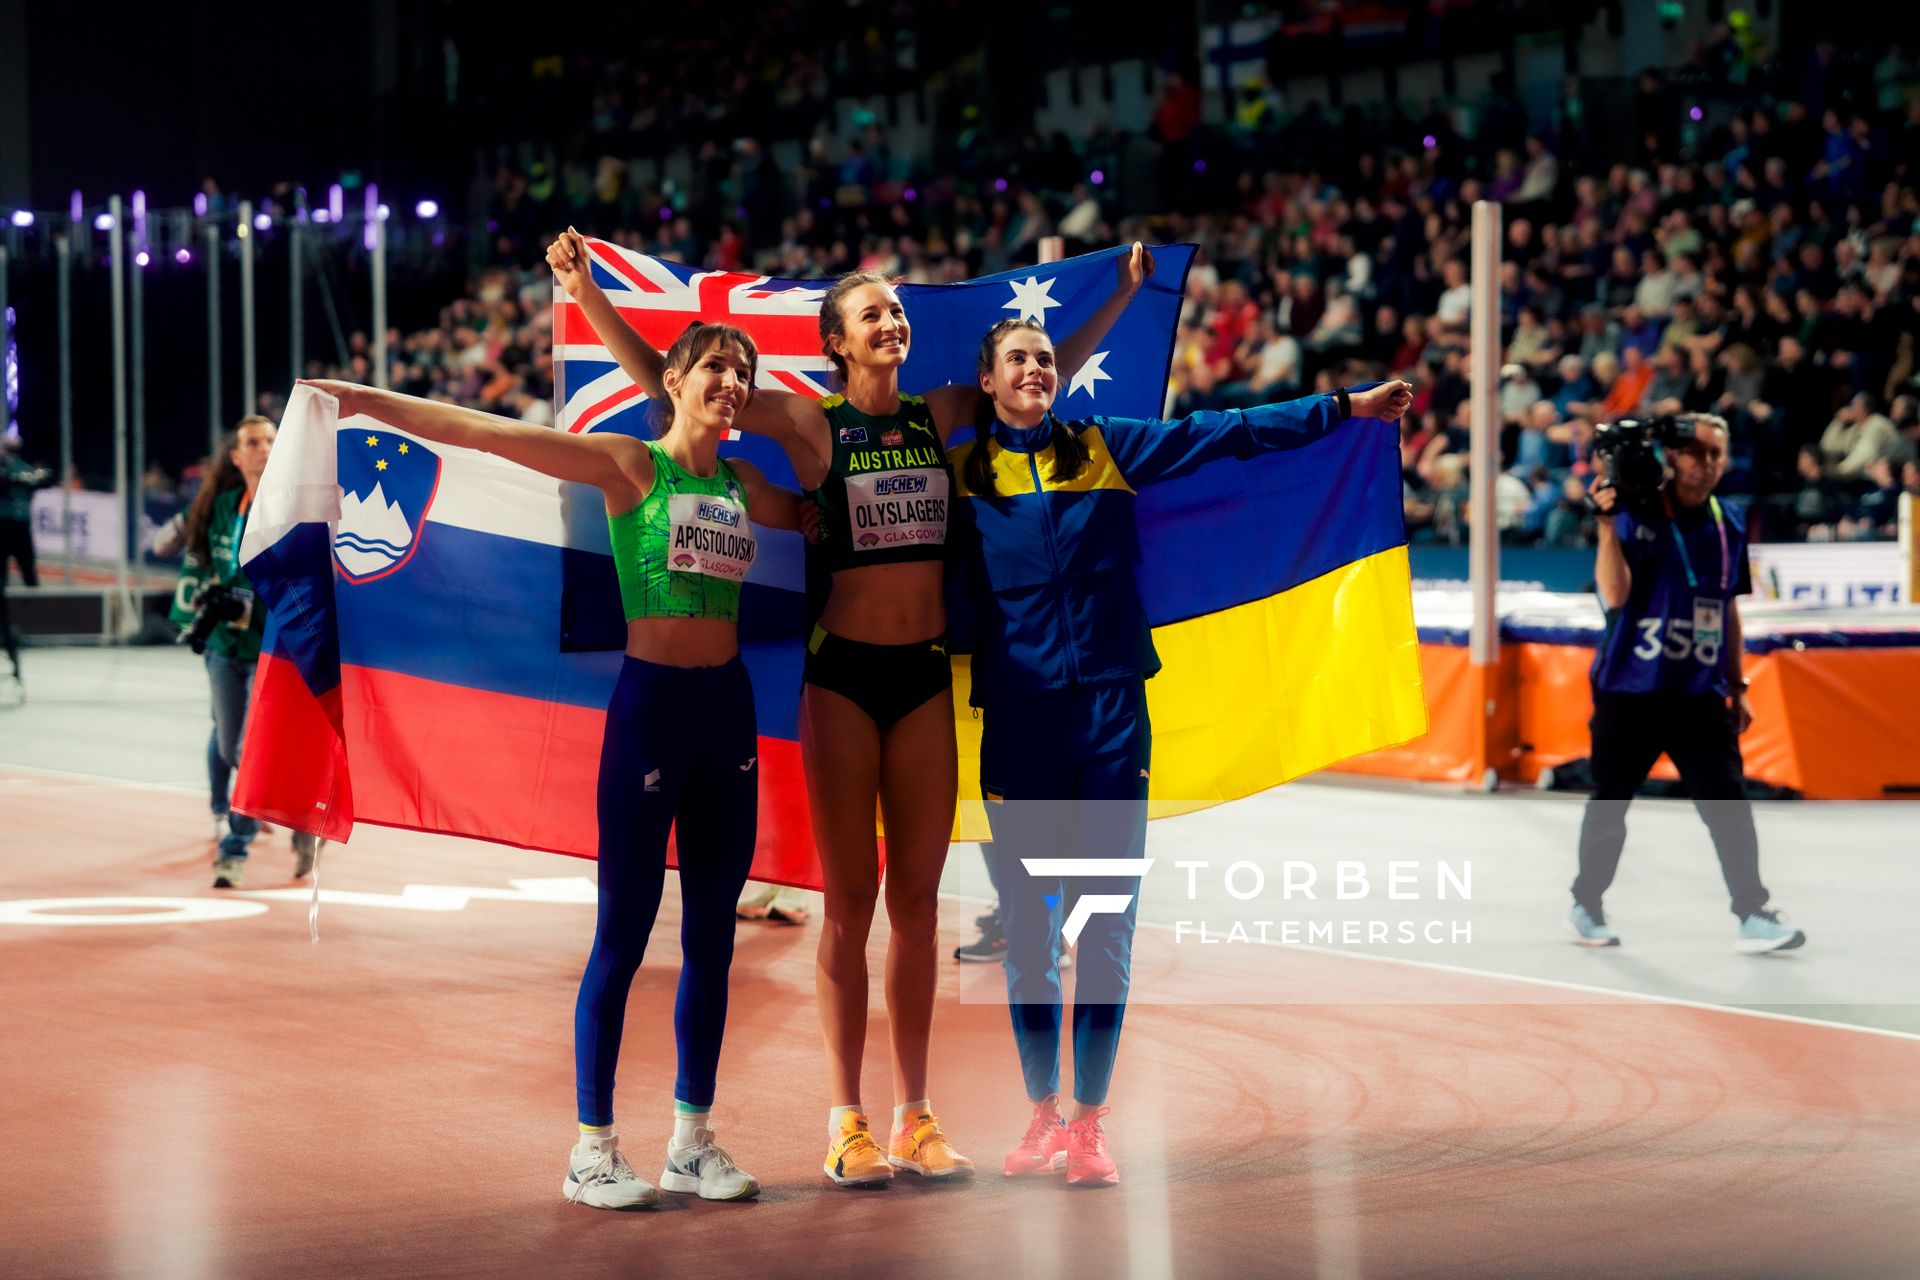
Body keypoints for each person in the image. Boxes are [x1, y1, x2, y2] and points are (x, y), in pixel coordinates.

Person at [545, 229, 1148, 1187]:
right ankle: (846, 1122)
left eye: (898, 312)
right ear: (837, 340)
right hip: (840, 682)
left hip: (919, 684)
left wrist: (1114, 301)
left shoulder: (943, 410)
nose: (894, 321)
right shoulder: (808, 424)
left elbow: (1044, 371)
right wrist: (586, 297)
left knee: (918, 906)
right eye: (874, 313)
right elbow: (678, 386)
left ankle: (915, 1115)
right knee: (850, 910)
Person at [299, 320, 806, 1210]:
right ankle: (592, 1150)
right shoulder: (628, 467)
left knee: (715, 936)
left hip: (728, 714)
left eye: (744, 373)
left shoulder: (747, 482)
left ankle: (694, 1141)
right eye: (716, 368)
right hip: (650, 711)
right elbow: (491, 434)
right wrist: (365, 400)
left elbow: (830, 510)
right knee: (625, 932)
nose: (732, 382)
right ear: (675, 379)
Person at [951, 316, 1412, 1186]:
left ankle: (1088, 1124)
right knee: (1027, 936)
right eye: (1016, 357)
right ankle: (1041, 1110)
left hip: (1114, 715)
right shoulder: (960, 474)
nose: (1034, 370)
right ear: (987, 378)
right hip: (1017, 722)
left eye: (1046, 359)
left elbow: (1223, 435)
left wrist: (1344, 408)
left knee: (1105, 925)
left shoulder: (1105, 447)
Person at [1571, 414, 1806, 954]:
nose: (1708, 464)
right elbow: (1616, 597)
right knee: (1611, 802)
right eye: (1697, 453)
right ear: (1671, 457)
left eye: (1717, 454)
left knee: (1729, 806)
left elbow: (1727, 610)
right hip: (1629, 688)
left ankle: (1753, 911)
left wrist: (1737, 685)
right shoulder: (1635, 509)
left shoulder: (1731, 522)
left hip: (1698, 693)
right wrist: (1607, 527)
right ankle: (1586, 903)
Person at [170, 417, 322, 888]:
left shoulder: (294, 508)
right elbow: (209, 563)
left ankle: (234, 848)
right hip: (223, 645)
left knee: (249, 750)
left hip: (272, 651)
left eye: (271, 441)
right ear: (236, 457)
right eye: (253, 443)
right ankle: (300, 823)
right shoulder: (221, 507)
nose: (263, 448)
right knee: (228, 744)